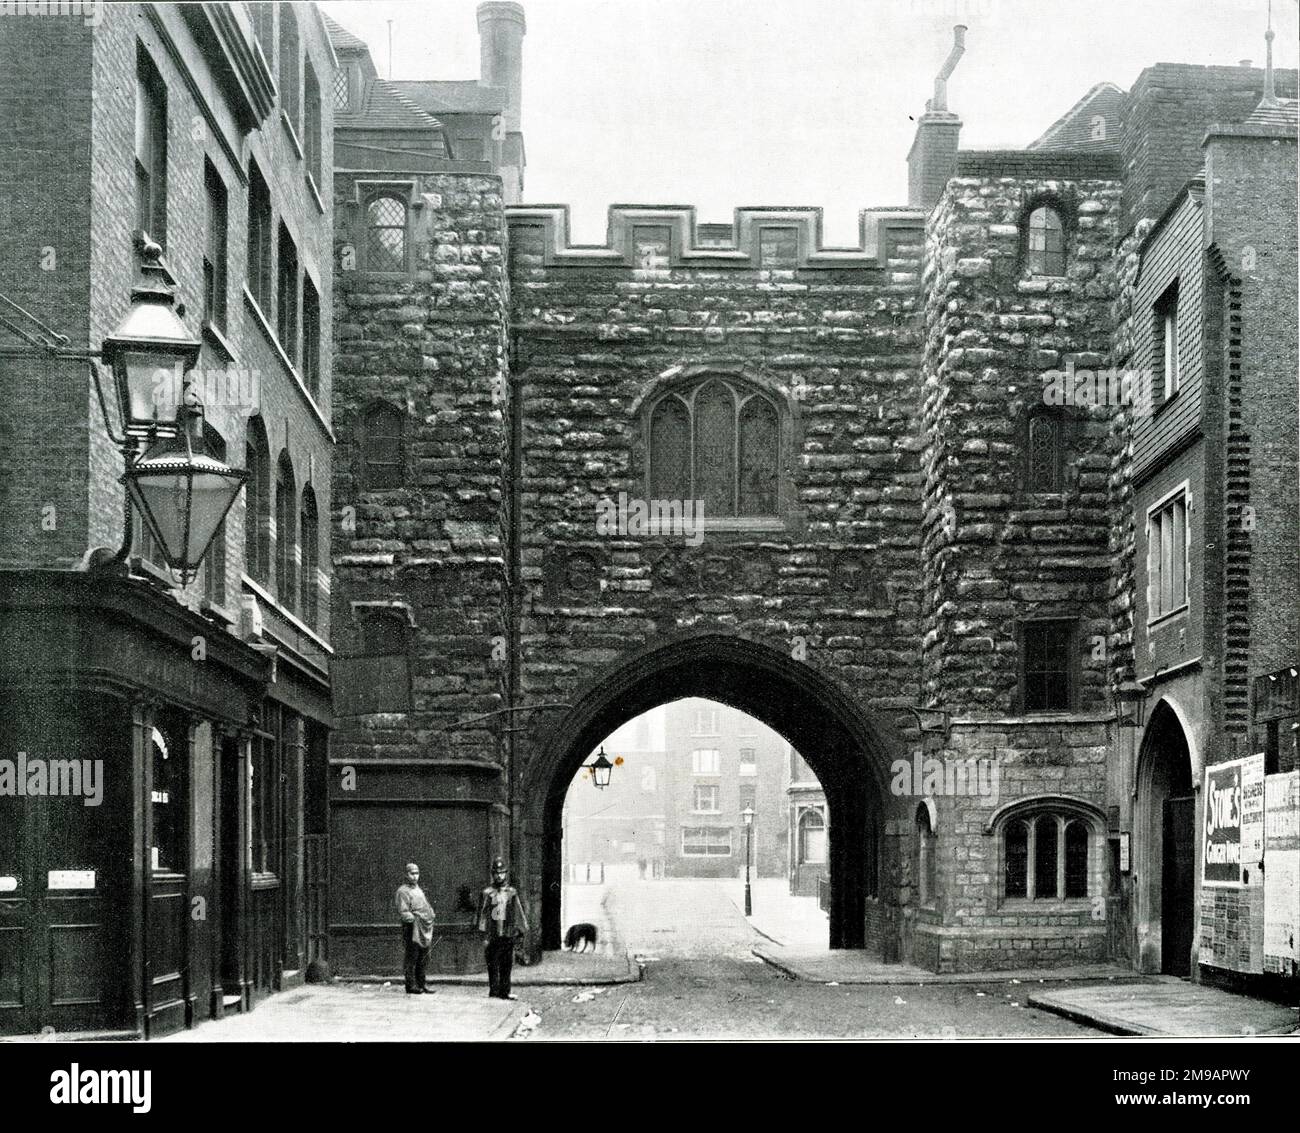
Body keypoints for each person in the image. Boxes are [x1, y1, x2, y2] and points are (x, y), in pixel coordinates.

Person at [476, 857, 528, 999]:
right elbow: (482, 915)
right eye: (496, 873)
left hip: (507, 933)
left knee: (506, 965)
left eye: (502, 873)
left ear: (506, 874)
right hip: (492, 935)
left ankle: (505, 991)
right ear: (493, 874)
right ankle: (494, 991)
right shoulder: (487, 893)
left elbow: (518, 911)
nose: (499, 876)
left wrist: (520, 931)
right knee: (492, 965)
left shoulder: (511, 892)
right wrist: (484, 935)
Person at [396, 862, 435, 994]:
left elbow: (425, 905)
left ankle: (421, 984)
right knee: (412, 956)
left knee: (423, 957)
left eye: (417, 873)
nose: (415, 876)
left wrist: (430, 913)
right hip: (412, 927)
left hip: (424, 927)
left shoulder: (418, 890)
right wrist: (414, 918)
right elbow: (403, 911)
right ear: (406, 875)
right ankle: (411, 985)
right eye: (412, 874)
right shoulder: (402, 891)